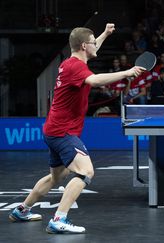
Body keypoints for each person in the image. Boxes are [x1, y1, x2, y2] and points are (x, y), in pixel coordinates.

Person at [8, 23, 144, 234]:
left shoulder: (71, 62)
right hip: (63, 131)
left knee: (56, 177)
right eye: (92, 43)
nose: (95, 46)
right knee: (86, 171)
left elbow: (93, 46)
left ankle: (22, 209)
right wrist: (126, 72)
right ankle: (59, 219)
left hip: (53, 129)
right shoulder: (77, 68)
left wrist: (105, 34)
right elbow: (95, 80)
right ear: (83, 46)